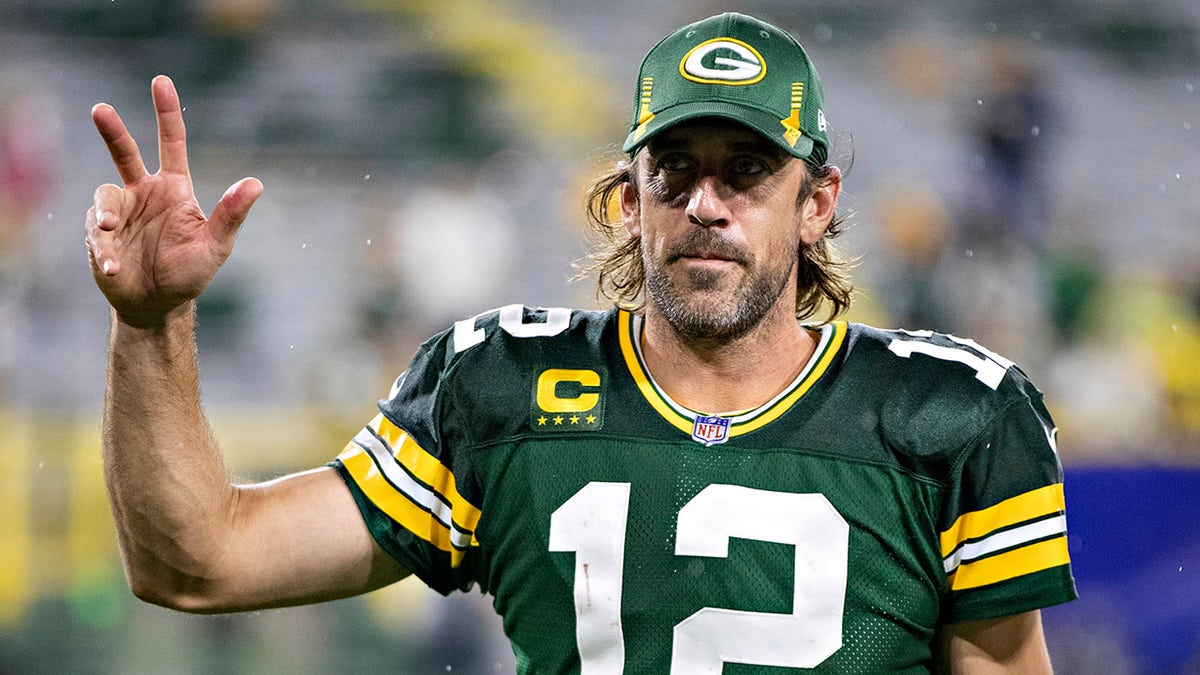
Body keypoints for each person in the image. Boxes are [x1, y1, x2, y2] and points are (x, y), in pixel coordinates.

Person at [85, 12, 1076, 673]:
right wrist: (149, 321)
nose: (706, 204)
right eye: (675, 170)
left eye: (746, 173)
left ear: (817, 204)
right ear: (627, 198)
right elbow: (198, 562)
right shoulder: (499, 387)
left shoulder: (948, 415)